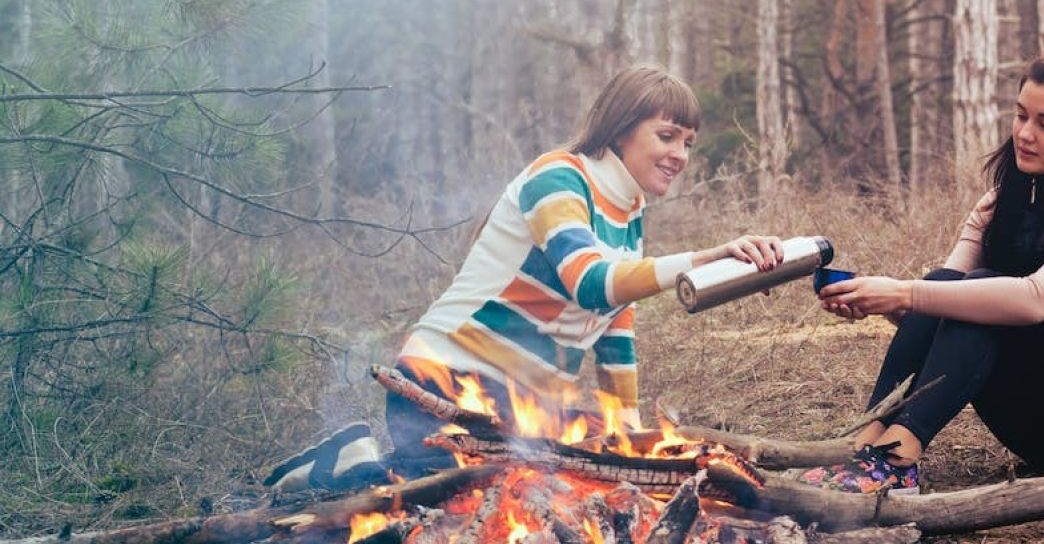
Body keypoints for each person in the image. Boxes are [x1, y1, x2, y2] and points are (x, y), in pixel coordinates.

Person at [265, 66, 784, 491]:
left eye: (688, 143)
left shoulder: (630, 211)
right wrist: (700, 260)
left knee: (594, 469)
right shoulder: (558, 177)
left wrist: (627, 429)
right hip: (445, 383)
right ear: (621, 129)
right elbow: (592, 284)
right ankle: (346, 464)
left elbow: (615, 324)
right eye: (667, 136)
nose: (680, 156)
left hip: (522, 410)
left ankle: (376, 462)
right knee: (458, 495)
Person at [799, 57, 1044, 495]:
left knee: (975, 295)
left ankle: (897, 460)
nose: (1025, 134)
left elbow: (1034, 300)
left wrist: (903, 293)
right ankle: (862, 447)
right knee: (947, 284)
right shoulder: (998, 203)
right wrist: (879, 302)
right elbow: (941, 306)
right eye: (1021, 115)